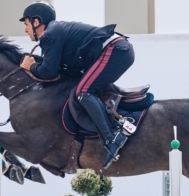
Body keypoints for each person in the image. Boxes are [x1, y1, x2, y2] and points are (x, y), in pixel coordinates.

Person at [18, 1, 135, 169]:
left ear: (36, 22)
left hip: (115, 50)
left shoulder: (50, 35)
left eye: (27, 24)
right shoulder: (54, 32)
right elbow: (58, 69)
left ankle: (111, 139)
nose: (25, 29)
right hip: (118, 50)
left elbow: (48, 72)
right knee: (85, 88)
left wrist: (31, 66)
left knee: (83, 91)